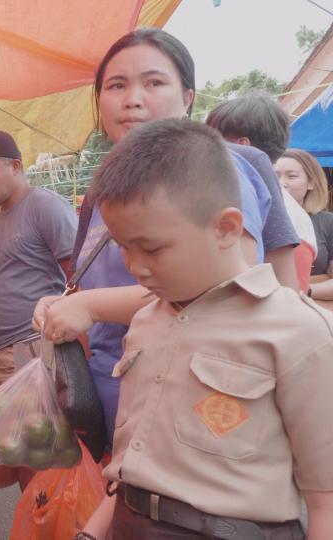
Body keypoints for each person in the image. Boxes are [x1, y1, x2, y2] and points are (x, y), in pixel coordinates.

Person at [33, 28, 299, 446]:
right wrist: (64, 303)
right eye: (116, 85)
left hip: (197, 414)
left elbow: (234, 290)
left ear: (188, 97)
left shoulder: (221, 166)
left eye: (154, 82)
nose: (133, 98)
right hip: (109, 407)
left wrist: (90, 305)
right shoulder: (104, 190)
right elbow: (91, 285)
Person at [79, 118, 330, 540]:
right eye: (123, 247)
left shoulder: (300, 332)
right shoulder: (144, 322)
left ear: (227, 228)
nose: (134, 267)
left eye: (152, 247)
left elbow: (325, 499)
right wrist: (91, 532)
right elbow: (132, 463)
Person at [0, 129, 77, 395]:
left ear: (16, 166)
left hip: (33, 347)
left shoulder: (44, 206)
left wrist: (76, 353)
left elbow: (79, 279)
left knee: (34, 433)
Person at [206, 93, 317, 292]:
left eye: (213, 140)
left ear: (241, 146)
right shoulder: (283, 205)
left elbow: (290, 291)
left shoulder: (286, 213)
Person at [276, 149, 333, 301]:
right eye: (274, 176)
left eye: (291, 176)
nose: (281, 183)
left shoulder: (328, 222)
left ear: (311, 182)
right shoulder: (259, 221)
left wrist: (302, 290)